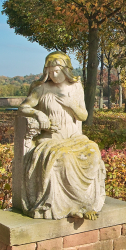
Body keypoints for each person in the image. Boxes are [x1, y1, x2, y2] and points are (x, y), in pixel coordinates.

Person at [18, 51, 105, 220]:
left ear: (65, 70)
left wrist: (71, 104)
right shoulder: (41, 89)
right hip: (51, 140)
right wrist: (39, 115)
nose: (53, 74)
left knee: (93, 152)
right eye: (49, 71)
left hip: (74, 138)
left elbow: (83, 116)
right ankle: (74, 205)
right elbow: (23, 108)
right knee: (63, 158)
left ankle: (84, 203)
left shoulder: (75, 88)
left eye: (56, 70)